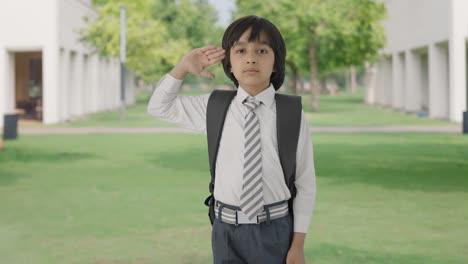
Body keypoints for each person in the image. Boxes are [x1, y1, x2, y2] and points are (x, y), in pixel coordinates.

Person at [148, 15, 316, 264]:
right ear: (229, 63)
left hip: (275, 230)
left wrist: (298, 244)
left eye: (262, 50)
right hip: (225, 231)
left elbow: (305, 182)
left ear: (276, 63)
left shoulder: (291, 113)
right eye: (240, 50)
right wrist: (182, 67)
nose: (251, 58)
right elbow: (159, 107)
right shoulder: (214, 107)